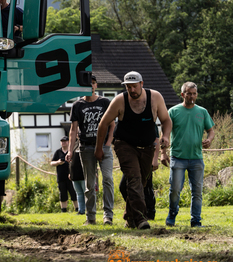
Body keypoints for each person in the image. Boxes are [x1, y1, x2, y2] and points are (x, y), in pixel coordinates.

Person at [95, 71, 172, 230]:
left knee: (141, 182)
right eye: (128, 87)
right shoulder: (119, 101)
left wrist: (165, 136)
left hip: (147, 146)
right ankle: (141, 219)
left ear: (141, 84)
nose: (131, 90)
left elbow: (166, 120)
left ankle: (129, 216)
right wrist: (99, 149)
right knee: (134, 179)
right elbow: (103, 124)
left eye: (134, 86)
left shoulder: (155, 97)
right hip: (125, 145)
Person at [162, 82, 215, 228]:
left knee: (197, 192)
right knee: (175, 190)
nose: (191, 96)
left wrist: (209, 140)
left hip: (197, 158)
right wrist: (163, 153)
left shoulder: (202, 112)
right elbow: (164, 133)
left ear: (196, 94)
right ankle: (172, 215)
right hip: (178, 157)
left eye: (194, 93)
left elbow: (211, 130)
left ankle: (196, 220)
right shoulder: (173, 111)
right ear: (182, 94)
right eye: (188, 93)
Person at [67, 74, 115, 225]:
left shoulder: (105, 102)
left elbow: (112, 125)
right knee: (90, 184)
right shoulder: (77, 105)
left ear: (96, 85)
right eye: (87, 83)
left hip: (103, 147)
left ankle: (108, 215)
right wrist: (69, 150)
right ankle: (91, 217)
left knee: (108, 179)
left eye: (92, 83)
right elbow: (73, 130)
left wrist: (107, 144)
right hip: (86, 147)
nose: (90, 86)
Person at [50, 136, 78, 212]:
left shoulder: (71, 151)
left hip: (71, 176)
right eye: (62, 141)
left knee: (74, 193)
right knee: (62, 194)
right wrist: (58, 162)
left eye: (65, 141)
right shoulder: (58, 152)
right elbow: (51, 163)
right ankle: (63, 210)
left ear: (68, 142)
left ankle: (77, 208)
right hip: (61, 177)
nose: (63, 143)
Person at [68, 140, 86, 216]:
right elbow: (71, 161)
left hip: (84, 174)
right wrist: (70, 173)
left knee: (87, 193)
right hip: (74, 174)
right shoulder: (74, 145)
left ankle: (90, 210)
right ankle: (81, 210)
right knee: (79, 194)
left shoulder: (86, 144)